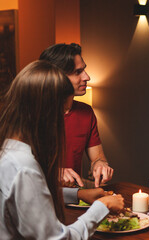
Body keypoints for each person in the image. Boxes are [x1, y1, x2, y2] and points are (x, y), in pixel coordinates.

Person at [0, 60, 125, 239]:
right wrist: (102, 207)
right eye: (61, 112)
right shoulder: (24, 168)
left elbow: (33, 196)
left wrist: (79, 194)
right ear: (46, 113)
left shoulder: (9, 151)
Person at [39, 43, 113, 188]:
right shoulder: (33, 115)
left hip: (74, 197)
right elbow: (17, 167)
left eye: (84, 69)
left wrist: (100, 166)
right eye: (77, 72)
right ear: (56, 76)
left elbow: (98, 158)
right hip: (40, 195)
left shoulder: (86, 112)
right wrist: (55, 173)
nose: (87, 77)